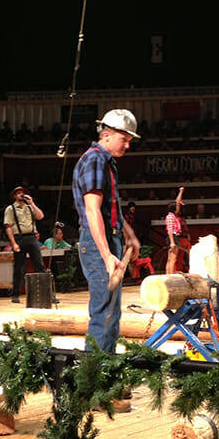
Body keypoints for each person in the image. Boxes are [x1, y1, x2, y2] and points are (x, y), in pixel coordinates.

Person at [71, 109, 141, 352]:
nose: (128, 146)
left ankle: (106, 372)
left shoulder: (105, 162)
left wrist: (127, 233)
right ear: (107, 134)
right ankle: (94, 377)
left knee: (112, 311)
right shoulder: (95, 159)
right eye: (125, 140)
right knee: (103, 312)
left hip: (109, 239)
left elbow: (108, 208)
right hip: (97, 242)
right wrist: (106, 254)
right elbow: (92, 211)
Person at [4, 186, 46, 303]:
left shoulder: (29, 207)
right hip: (19, 238)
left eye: (23, 192)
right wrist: (13, 243)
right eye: (18, 193)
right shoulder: (10, 209)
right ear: (14, 196)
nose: (21, 194)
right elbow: (8, 227)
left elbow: (40, 216)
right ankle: (15, 294)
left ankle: (46, 294)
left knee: (40, 266)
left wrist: (32, 203)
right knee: (19, 268)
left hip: (32, 237)